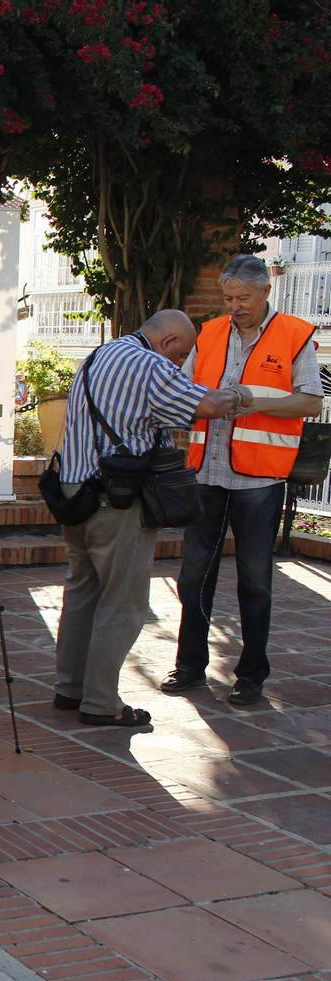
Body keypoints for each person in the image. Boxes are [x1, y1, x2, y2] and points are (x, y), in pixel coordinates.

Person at [53, 310, 243, 727]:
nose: (181, 363)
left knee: (83, 591)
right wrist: (239, 396)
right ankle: (101, 703)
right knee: (122, 603)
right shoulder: (152, 365)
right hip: (117, 502)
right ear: (169, 341)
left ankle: (70, 688)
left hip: (74, 492)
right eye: (182, 354)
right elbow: (206, 404)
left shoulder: (99, 354)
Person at [163, 255, 326, 706]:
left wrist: (252, 400)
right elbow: (183, 388)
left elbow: (310, 402)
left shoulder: (295, 336)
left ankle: (251, 674)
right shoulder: (211, 333)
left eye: (243, 298)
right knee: (194, 575)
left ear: (265, 291)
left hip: (259, 480)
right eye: (228, 298)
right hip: (206, 473)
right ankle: (190, 666)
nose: (235, 306)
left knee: (255, 578)